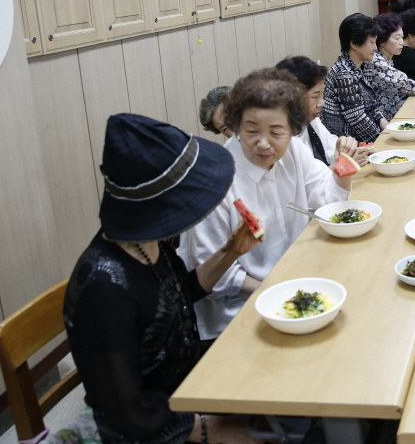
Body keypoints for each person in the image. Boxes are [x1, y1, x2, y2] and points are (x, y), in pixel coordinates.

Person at [65, 113, 266, 444]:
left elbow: (178, 295)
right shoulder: (103, 291)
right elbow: (126, 411)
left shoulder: (149, 243)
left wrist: (231, 251)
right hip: (151, 425)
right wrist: (208, 429)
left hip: (186, 385)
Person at [180, 69, 352, 339]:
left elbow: (324, 198)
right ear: (235, 127)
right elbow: (219, 279)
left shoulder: (294, 149)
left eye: (276, 132)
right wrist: (282, 292)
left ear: (294, 129)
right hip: (238, 312)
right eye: (251, 131)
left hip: (296, 284)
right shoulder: (215, 183)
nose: (263, 144)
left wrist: (344, 170)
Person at [276, 55, 375, 167]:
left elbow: (328, 150)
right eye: (315, 96)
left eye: (322, 95)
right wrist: (344, 166)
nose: (322, 103)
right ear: (292, 97)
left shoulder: (311, 119)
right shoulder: (284, 139)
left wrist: (350, 152)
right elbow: (307, 182)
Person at [321, 13, 386, 144]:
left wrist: (389, 130)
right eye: (372, 43)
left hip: (363, 137)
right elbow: (358, 120)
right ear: (354, 44)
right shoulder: (343, 74)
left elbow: (373, 108)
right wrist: (383, 141)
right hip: (348, 142)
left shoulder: (364, 65)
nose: (375, 48)